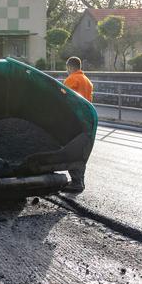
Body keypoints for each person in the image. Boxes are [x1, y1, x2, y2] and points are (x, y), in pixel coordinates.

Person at [63, 56, 93, 194]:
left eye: (67, 68)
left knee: (72, 149)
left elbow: (64, 99)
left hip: (73, 119)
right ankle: (80, 181)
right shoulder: (87, 81)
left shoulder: (71, 79)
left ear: (70, 67)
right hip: (85, 120)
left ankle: (76, 182)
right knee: (81, 152)